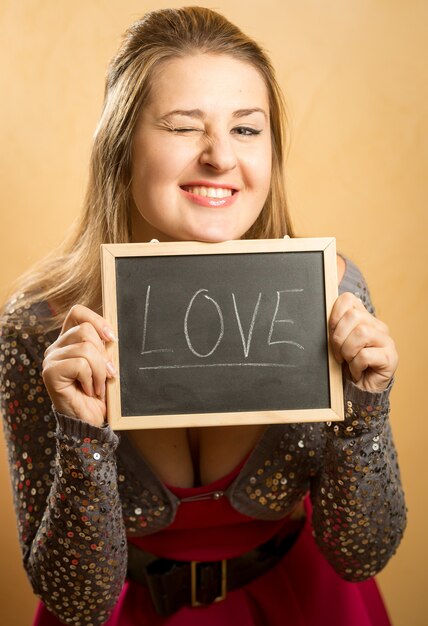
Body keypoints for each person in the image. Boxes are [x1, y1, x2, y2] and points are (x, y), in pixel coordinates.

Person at [0, 7, 406, 626]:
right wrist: (81, 438)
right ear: (121, 144)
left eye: (247, 129)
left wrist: (365, 412)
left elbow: (362, 554)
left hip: (305, 606)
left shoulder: (333, 292)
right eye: (184, 126)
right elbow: (75, 602)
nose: (220, 157)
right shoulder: (39, 329)